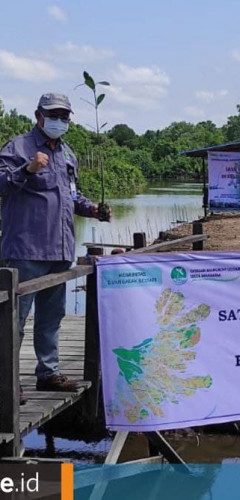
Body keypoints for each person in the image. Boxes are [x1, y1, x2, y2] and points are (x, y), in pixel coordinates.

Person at [0, 92, 111, 402]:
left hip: (60, 250)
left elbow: (72, 196)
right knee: (13, 321)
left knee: (51, 318)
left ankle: (48, 374)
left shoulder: (68, 154)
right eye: (54, 114)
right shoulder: (18, 148)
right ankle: (6, 384)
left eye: (64, 116)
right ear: (38, 115)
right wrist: (27, 170)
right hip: (24, 251)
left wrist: (92, 210)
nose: (59, 120)